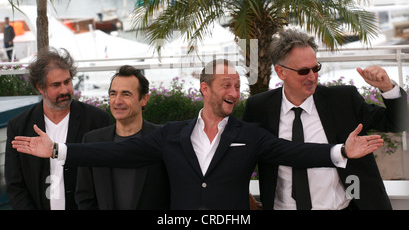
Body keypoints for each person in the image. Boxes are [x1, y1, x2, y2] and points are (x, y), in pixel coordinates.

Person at [12, 59, 384, 210]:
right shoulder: (171, 135)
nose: (234, 93)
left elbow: (294, 153)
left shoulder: (250, 134)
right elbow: (115, 154)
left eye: (237, 87)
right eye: (226, 85)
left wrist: (340, 152)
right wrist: (59, 150)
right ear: (205, 89)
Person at [242, 29, 409, 210]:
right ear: (280, 72)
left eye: (316, 68)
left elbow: (398, 122)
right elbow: (240, 159)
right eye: (304, 71)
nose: (312, 77)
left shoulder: (343, 100)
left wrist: (387, 88)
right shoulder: (258, 108)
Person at [5, 47, 113, 210]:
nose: (65, 90)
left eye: (67, 82)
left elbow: (107, 177)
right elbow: (15, 185)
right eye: (56, 85)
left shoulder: (97, 121)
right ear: (40, 87)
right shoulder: (19, 126)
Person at [75, 65, 170, 210]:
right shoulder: (92, 140)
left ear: (144, 99)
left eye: (126, 94)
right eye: (113, 94)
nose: (117, 101)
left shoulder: (163, 139)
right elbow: (84, 196)